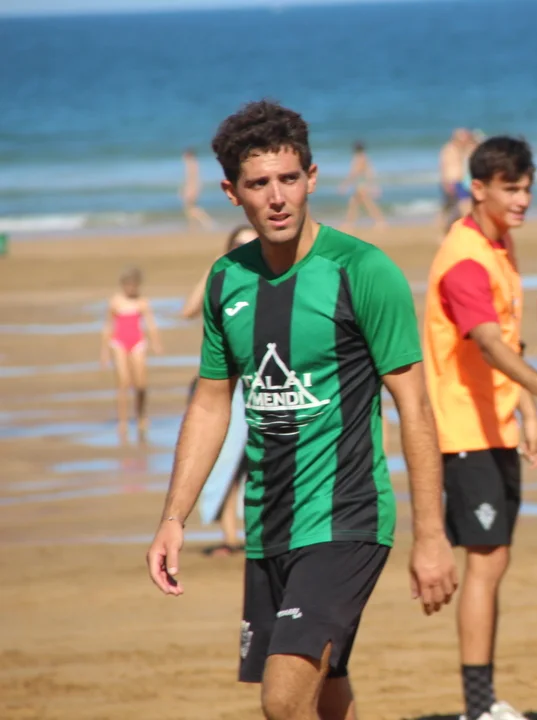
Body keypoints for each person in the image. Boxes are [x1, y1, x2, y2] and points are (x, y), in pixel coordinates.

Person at [145, 100, 458, 720]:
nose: (277, 197)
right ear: (232, 193)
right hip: (268, 525)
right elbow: (211, 404)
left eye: (289, 178)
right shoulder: (225, 281)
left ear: (312, 178)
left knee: (284, 700)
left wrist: (430, 536)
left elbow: (416, 408)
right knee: (328, 685)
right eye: (259, 183)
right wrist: (173, 517)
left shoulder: (362, 271)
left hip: (346, 518)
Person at [422, 136, 537, 720]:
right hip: (465, 433)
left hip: (497, 427)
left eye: (527, 188)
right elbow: (489, 343)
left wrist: (527, 413)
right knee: (485, 567)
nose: (523, 200)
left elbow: (509, 339)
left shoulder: (499, 242)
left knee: (495, 564)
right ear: (479, 189)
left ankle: (485, 702)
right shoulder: (465, 258)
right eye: (510, 189)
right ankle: (478, 708)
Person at [180, 224, 260, 557]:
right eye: (237, 245)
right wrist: (217, 265)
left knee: (256, 463)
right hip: (226, 385)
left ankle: (256, 533)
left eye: (251, 244)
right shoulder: (222, 279)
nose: (244, 249)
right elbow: (188, 310)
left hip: (261, 381)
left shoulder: (266, 279)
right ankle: (230, 537)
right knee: (228, 462)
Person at [100, 266, 164, 445]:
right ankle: (122, 421)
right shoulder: (115, 302)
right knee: (123, 382)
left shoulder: (142, 302)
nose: (131, 288)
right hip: (119, 343)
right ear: (123, 285)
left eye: (134, 285)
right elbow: (108, 326)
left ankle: (141, 416)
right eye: (128, 285)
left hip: (138, 342)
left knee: (141, 383)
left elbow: (151, 324)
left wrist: (156, 343)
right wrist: (104, 352)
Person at [339, 141, 387, 230]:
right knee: (354, 203)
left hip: (361, 185)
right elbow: (370, 172)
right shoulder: (364, 157)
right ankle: (350, 223)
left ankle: (380, 222)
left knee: (366, 204)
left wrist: (345, 185)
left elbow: (354, 173)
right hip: (362, 184)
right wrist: (373, 185)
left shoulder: (359, 158)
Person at [438, 128, 473, 234]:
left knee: (464, 206)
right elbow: (444, 167)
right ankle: (445, 230)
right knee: (449, 208)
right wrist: (445, 182)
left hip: (464, 182)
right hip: (451, 181)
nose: (463, 141)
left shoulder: (468, 148)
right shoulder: (448, 149)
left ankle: (462, 229)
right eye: (461, 138)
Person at [181, 148, 214, 230]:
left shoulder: (191, 163)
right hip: (193, 188)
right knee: (189, 208)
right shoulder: (193, 163)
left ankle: (206, 221)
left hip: (191, 188)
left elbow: (191, 178)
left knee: (191, 208)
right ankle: (193, 225)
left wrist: (189, 190)